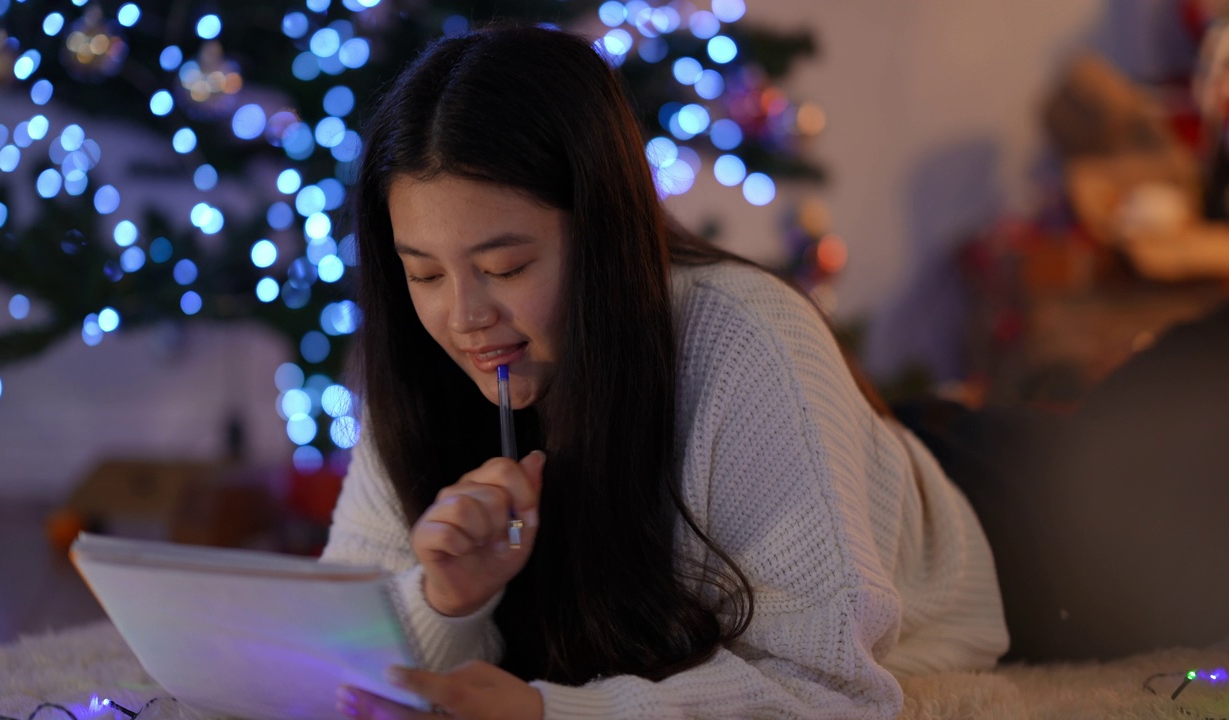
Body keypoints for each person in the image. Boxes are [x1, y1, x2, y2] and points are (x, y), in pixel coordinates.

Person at [320, 24, 1008, 719]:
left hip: (996, 508)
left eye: (506, 268)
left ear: (601, 234)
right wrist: (446, 601)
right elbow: (330, 662)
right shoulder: (415, 364)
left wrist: (546, 713)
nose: (464, 316)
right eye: (425, 273)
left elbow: (829, 690)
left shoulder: (747, 341)